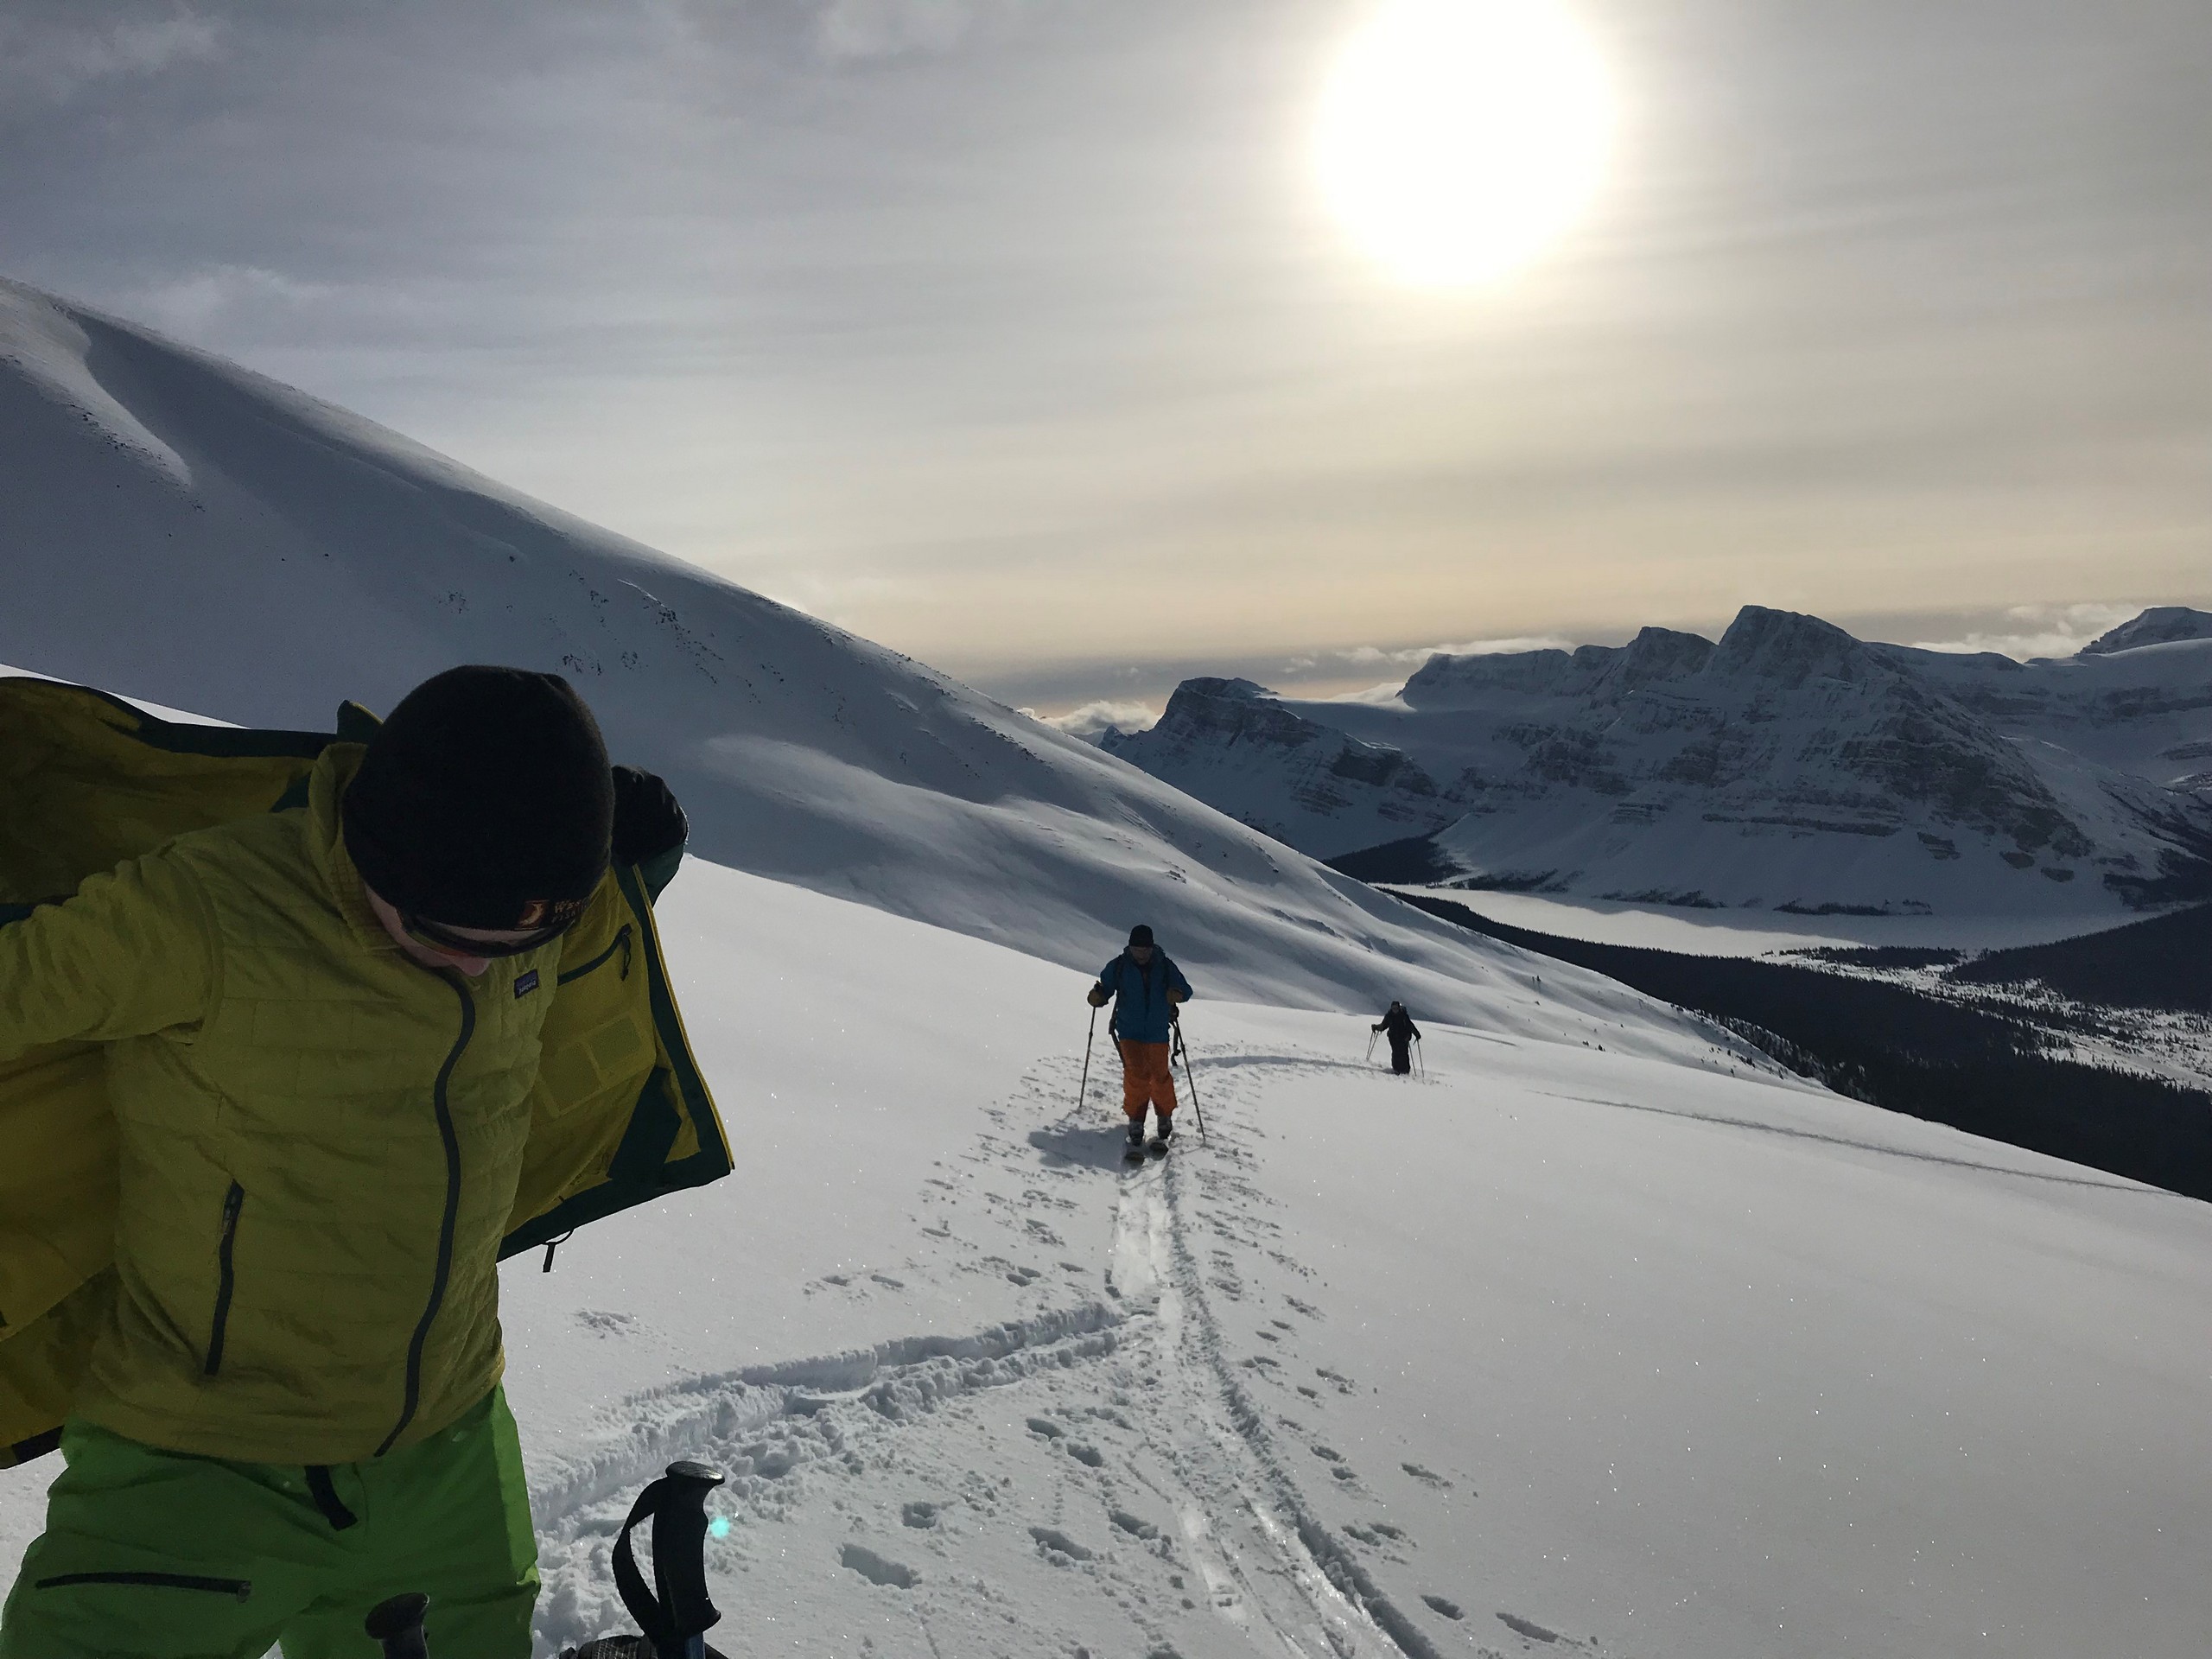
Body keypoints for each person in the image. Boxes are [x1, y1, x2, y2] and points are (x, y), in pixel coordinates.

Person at [0, 666, 690, 1659]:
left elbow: (571, 938)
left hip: (447, 1455)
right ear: (380, 852)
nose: (479, 970)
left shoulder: (518, 918)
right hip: (195, 1465)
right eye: (450, 938)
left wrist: (637, 867)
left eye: (520, 945)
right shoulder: (200, 913)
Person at [1087, 924, 1193, 1158]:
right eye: (1137, 949)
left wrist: (1177, 994)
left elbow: (1186, 990)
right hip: (1129, 1031)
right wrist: (1099, 996)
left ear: (1152, 947)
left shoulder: (1164, 966)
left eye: (1144, 949)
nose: (1141, 954)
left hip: (1157, 1031)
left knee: (1159, 1076)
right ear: (1130, 947)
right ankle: (1136, 1120)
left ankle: (1164, 1117)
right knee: (1137, 1075)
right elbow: (1105, 987)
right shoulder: (1120, 966)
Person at [1373, 1000, 1421, 1076]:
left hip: (1404, 1037)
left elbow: (1410, 1026)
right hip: (1393, 1037)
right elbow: (1384, 1025)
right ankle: (1396, 1069)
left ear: (1399, 1008)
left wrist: (1416, 1034)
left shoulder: (1404, 1016)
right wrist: (1376, 1027)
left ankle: (1405, 1070)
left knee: (1403, 1053)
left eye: (1396, 1008)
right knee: (1396, 1052)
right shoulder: (1389, 1016)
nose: (1395, 1010)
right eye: (1393, 1008)